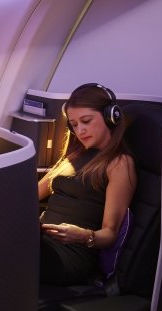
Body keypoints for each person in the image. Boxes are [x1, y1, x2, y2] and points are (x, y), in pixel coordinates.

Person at [38, 83, 137, 285]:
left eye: (86, 121)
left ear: (111, 117)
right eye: (74, 125)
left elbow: (109, 234)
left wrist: (83, 236)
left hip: (71, 255)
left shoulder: (119, 164)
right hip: (43, 243)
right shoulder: (74, 155)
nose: (80, 130)